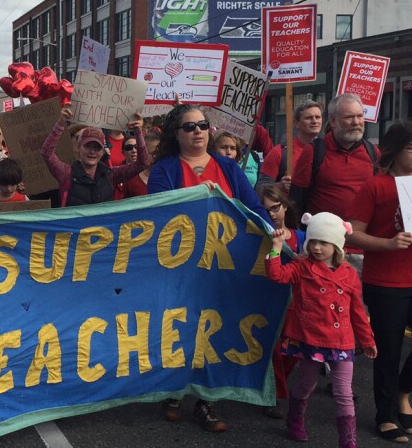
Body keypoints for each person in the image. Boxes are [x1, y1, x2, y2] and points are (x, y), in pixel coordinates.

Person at [148, 104, 269, 432]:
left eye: (203, 125)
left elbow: (253, 208)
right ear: (177, 134)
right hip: (180, 266)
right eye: (189, 127)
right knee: (180, 327)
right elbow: (155, 212)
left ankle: (207, 402)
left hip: (221, 267)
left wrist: (274, 231)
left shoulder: (228, 168)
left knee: (215, 330)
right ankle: (174, 390)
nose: (198, 131)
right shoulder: (165, 170)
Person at [267, 212, 376, 448]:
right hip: (311, 338)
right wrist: (275, 248)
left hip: (342, 341)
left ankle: (348, 442)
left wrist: (367, 340)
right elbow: (276, 275)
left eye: (324, 243)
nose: (317, 248)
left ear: (337, 245)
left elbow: (357, 311)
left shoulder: (348, 274)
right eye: (313, 241)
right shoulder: (301, 266)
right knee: (306, 383)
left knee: (343, 393)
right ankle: (295, 420)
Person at [346, 121, 412, 442]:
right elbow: (354, 232)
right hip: (387, 280)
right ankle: (385, 415)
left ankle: (403, 391)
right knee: (388, 349)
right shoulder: (376, 186)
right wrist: (388, 243)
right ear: (396, 152)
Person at [291, 93, 379, 272]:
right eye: (349, 117)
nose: (356, 122)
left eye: (360, 116)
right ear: (333, 121)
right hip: (323, 252)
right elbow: (295, 201)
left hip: (361, 252)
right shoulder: (314, 151)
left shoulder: (373, 153)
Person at [257, 183, 305, 419]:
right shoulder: (258, 235)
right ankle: (272, 395)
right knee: (274, 350)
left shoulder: (302, 237)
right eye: (265, 210)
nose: (271, 214)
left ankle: (277, 388)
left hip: (297, 304)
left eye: (275, 208)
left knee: (293, 351)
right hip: (268, 300)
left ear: (285, 207)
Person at [42, 105, 149, 206]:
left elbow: (143, 162)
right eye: (87, 146)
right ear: (79, 147)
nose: (92, 151)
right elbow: (46, 153)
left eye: (97, 147)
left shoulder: (111, 175)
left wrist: (138, 132)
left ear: (102, 152)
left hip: (103, 226)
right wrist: (61, 123)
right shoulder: (66, 174)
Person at [258, 100, 323, 190]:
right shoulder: (279, 152)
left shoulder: (329, 150)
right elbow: (260, 188)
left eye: (318, 117)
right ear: (297, 123)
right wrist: (280, 186)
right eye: (309, 118)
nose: (315, 121)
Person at [122, 129, 160, 199]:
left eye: (158, 153)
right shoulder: (130, 178)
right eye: (152, 153)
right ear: (143, 153)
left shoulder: (169, 175)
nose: (156, 156)